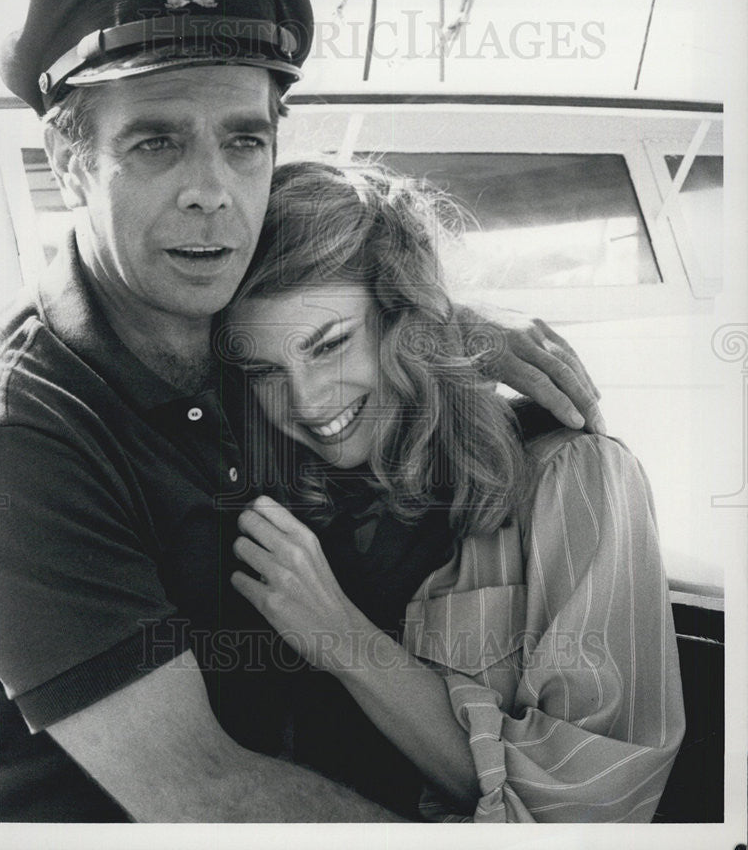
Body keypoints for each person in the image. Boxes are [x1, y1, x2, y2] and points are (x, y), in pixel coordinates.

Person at [0, 0, 605, 823]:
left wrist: (438, 322)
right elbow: (207, 796)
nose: (212, 192)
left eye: (244, 140)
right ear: (68, 160)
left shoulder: (236, 320)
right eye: (155, 142)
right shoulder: (24, 432)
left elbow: (333, 268)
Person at [224, 160, 686, 822]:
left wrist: (341, 638)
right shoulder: (259, 479)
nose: (304, 401)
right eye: (267, 370)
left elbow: (585, 817)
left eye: (328, 346)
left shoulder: (574, 478)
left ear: (402, 318)